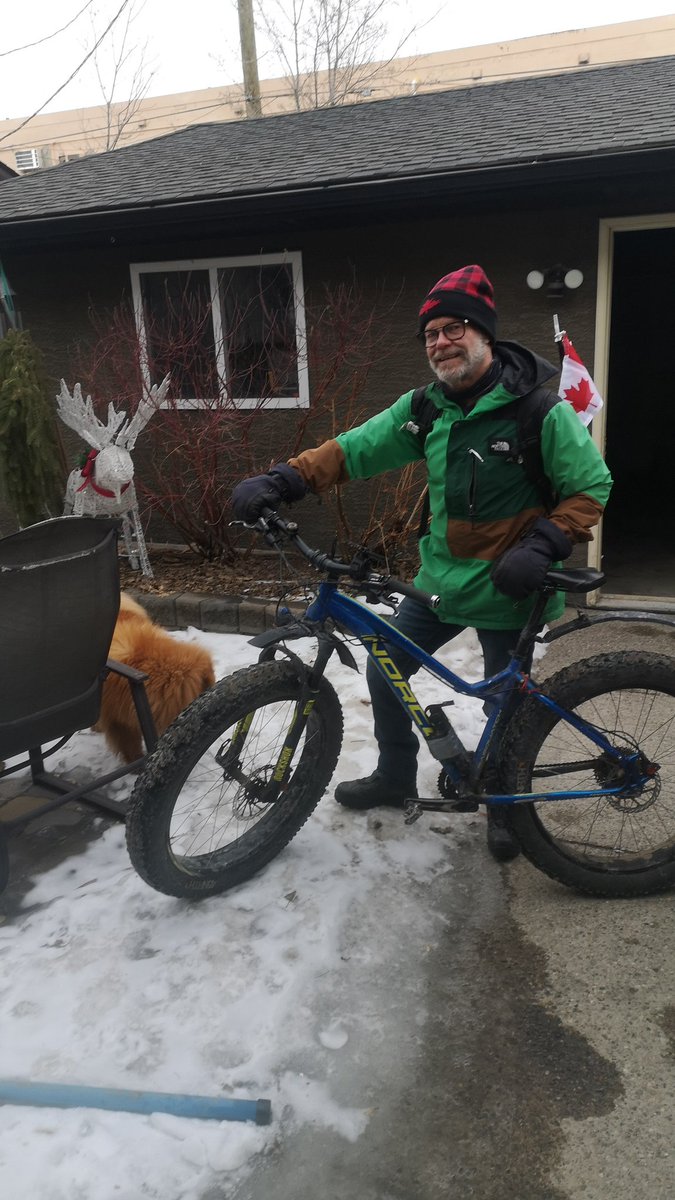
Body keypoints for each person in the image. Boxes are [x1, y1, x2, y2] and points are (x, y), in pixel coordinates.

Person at [231, 265, 613, 862]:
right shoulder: (426, 409)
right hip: (440, 582)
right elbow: (357, 447)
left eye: (454, 327)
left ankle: (506, 802)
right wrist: (285, 478)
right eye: (431, 333)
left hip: (511, 587)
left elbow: (591, 485)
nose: (441, 342)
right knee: (385, 671)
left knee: (503, 704)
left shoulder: (539, 410)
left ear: (485, 335)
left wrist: (543, 545)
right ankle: (393, 775)